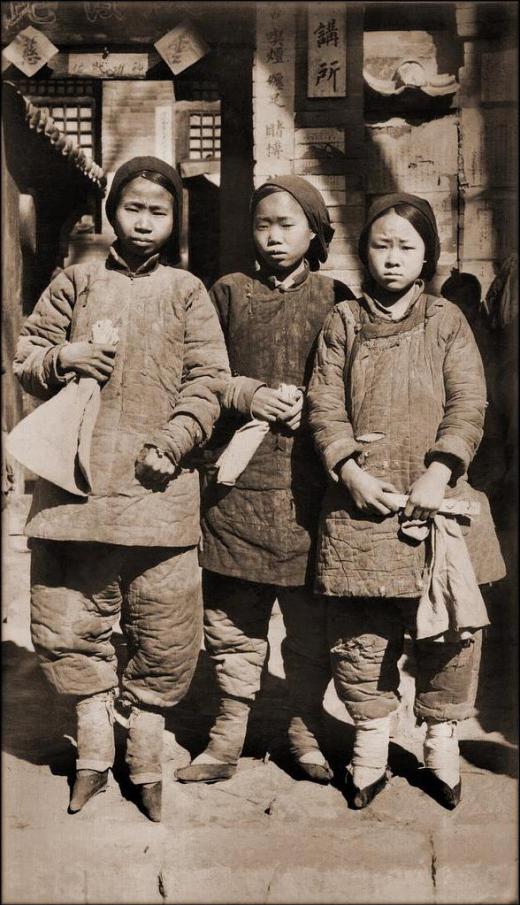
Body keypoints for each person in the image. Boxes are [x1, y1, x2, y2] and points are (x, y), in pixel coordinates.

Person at [12, 156, 230, 822]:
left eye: (157, 210)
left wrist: (176, 438)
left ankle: (146, 750)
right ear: (112, 212)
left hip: (158, 488)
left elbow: (209, 379)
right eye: (132, 207)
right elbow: (25, 355)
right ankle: (93, 749)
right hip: (74, 490)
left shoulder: (187, 290)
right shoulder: (74, 281)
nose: (143, 220)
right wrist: (63, 358)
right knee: (66, 614)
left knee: (163, 624)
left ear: (173, 220)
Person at [306, 193, 506, 810]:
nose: (392, 259)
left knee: (449, 631)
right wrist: (348, 471)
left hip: (436, 499)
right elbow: (323, 404)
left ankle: (440, 741)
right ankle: (370, 741)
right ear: (364, 252)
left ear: (427, 256)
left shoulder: (448, 320)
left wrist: (440, 473)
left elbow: (468, 403)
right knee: (361, 634)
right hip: (362, 501)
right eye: (380, 245)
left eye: (406, 246)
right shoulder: (342, 321)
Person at [175, 176, 354, 785]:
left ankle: (302, 727)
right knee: (231, 622)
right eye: (263, 225)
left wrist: (321, 407)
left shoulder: (338, 297)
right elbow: (201, 376)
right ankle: (227, 736)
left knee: (308, 626)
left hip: (310, 490)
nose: (274, 236)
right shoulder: (226, 292)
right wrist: (246, 395)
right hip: (235, 488)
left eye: (287, 224)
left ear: (314, 231)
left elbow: (355, 382)